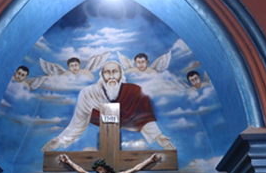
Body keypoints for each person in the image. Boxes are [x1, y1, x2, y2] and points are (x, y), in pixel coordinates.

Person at [42, 61, 175, 152]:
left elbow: (144, 117)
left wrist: (158, 136)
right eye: (107, 72)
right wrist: (60, 140)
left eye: (115, 72)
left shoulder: (135, 92)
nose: (111, 76)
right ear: (102, 75)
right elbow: (78, 122)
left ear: (121, 74)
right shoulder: (89, 93)